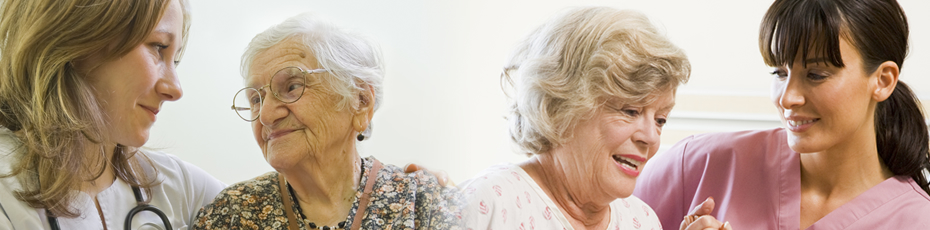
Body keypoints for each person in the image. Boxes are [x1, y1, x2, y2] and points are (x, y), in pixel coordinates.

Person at [634, 0, 930, 229]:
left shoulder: (918, 220)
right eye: (779, 72)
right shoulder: (698, 165)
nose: (788, 98)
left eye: (815, 74)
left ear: (883, 80)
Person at [191, 13, 463, 230]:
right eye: (255, 99)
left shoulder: (421, 204)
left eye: (292, 86)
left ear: (360, 101)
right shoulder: (231, 215)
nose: (266, 115)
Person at [0, 0, 226, 229]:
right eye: (158, 47)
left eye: (175, 60)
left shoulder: (181, 188)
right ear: (78, 37)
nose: (175, 89)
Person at [459, 7, 691, 230]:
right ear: (562, 105)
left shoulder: (642, 220)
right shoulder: (488, 205)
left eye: (660, 120)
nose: (651, 138)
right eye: (630, 111)